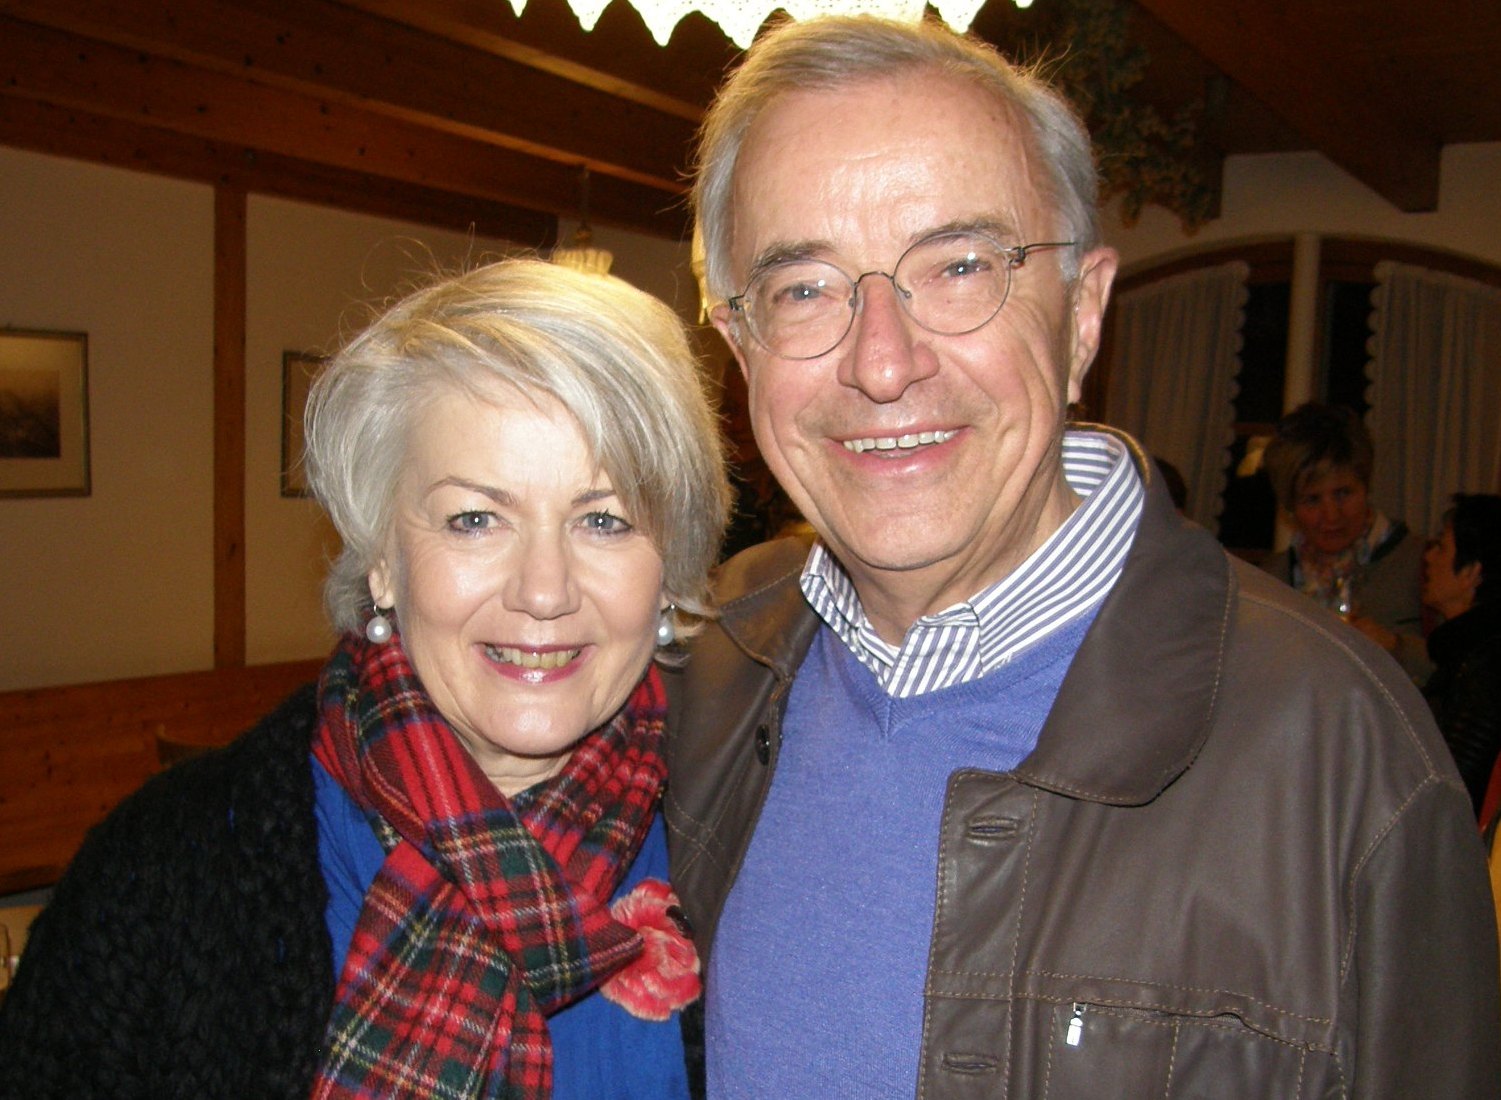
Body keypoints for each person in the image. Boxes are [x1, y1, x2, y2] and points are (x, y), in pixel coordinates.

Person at [662, 15, 1500, 1099]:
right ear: (739, 344)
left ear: (1083, 315)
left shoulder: (1340, 745)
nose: (881, 363)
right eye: (804, 288)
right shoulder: (708, 663)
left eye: (959, 266)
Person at [0, 259, 729, 1099]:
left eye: (603, 520)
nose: (543, 590)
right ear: (382, 558)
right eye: (474, 519)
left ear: (669, 566)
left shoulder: (745, 843)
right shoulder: (166, 872)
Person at [1260, 402, 1431, 682]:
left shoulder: (1422, 564)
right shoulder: (1271, 582)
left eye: (1343, 494)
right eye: (1312, 500)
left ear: (1366, 486)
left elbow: (1466, 668)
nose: (1331, 515)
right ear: (1290, 507)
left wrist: (1397, 648)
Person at [1421, 493, 1501, 814]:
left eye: (1441, 547)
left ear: (1471, 572)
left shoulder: (1483, 664)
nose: (1429, 557)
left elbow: (1455, 788)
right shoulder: (1466, 652)